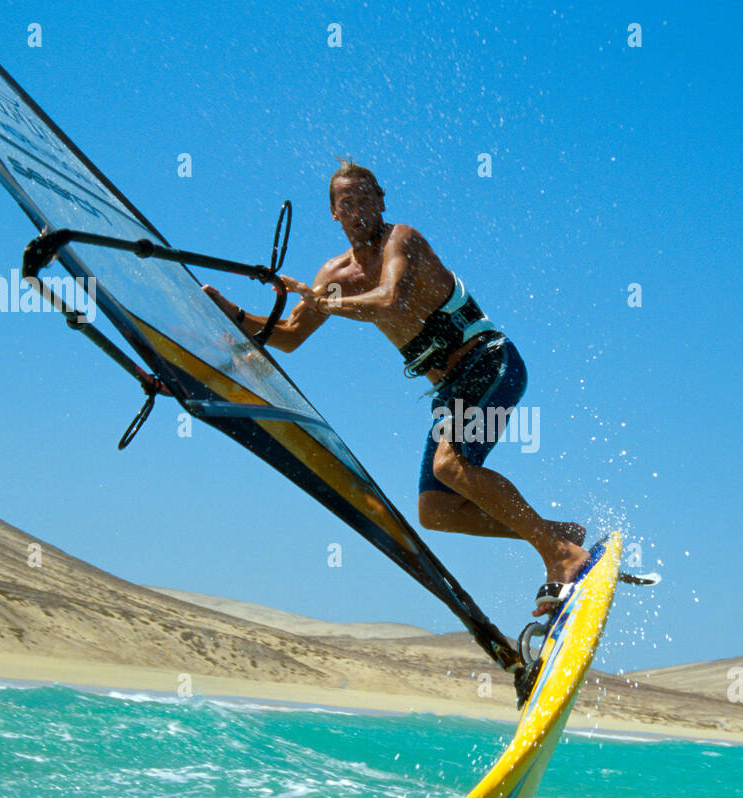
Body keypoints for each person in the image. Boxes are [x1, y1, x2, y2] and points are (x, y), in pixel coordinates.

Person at [203, 161, 587, 616]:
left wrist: (326, 301)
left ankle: (559, 554)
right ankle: (558, 532)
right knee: (436, 510)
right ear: (333, 213)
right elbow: (287, 335)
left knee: (450, 465)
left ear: (382, 200)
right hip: (449, 389)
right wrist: (234, 315)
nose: (359, 210)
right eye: (347, 203)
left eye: (366, 199)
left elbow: (391, 298)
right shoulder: (333, 274)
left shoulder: (402, 239)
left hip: (487, 360)